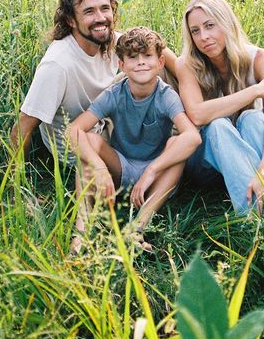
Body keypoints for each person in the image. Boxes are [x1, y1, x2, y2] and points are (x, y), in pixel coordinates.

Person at [10, 0, 177, 161]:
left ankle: (187, 128)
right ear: (71, 20)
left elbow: (158, 50)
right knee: (140, 69)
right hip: (79, 148)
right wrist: (15, 180)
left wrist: (187, 82)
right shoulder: (57, 64)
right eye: (89, 11)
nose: (100, 18)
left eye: (105, 8)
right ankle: (169, 149)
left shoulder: (106, 39)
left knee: (152, 63)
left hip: (104, 124)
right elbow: (23, 125)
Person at [69, 27, 201, 251]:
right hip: (121, 167)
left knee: (177, 143)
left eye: (147, 56)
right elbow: (74, 130)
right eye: (132, 57)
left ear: (160, 62)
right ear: (122, 65)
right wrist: (99, 167)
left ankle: (138, 228)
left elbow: (193, 137)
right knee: (90, 141)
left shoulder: (166, 96)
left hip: (156, 177)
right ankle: (82, 230)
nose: (141, 62)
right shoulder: (115, 93)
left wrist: (151, 171)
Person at [175, 0, 264, 215]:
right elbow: (197, 114)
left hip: (247, 157)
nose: (203, 37)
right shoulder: (187, 65)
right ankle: (255, 216)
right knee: (218, 125)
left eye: (210, 26)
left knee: (253, 118)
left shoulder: (261, 59)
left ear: (227, 23)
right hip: (205, 160)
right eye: (195, 31)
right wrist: (255, 90)